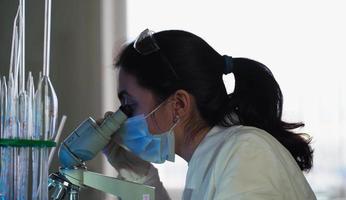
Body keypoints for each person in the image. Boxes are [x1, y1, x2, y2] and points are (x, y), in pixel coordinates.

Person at [101, 29, 316, 200]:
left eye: (130, 104)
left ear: (179, 105)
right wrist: (142, 179)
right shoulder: (210, 160)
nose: (122, 118)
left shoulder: (246, 152)